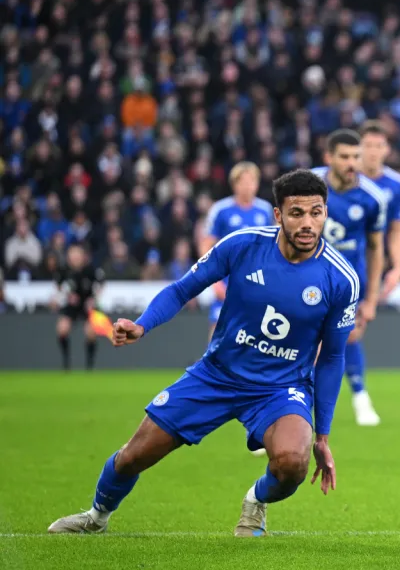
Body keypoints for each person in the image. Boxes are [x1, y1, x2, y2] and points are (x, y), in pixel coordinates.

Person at [47, 170, 359, 536]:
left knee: (292, 463)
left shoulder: (341, 278)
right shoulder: (242, 245)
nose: (308, 223)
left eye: (316, 212)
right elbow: (182, 290)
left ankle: (255, 502)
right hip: (216, 375)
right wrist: (143, 324)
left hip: (280, 388)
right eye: (297, 213)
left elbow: (333, 358)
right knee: (133, 456)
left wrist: (322, 436)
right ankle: (96, 516)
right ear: (278, 215)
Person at [312, 130, 388, 427]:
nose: (351, 162)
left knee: (348, 337)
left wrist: (371, 299)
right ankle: (281, 410)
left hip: (348, 286)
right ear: (328, 157)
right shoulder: (309, 185)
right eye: (344, 156)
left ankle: (360, 397)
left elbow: (375, 248)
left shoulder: (372, 197)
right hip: (308, 280)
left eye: (355, 156)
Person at [200, 162, 274, 341]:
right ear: (235, 184)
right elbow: (206, 244)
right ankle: (211, 366)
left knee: (254, 328)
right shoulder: (221, 209)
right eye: (244, 181)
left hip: (256, 277)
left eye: (252, 181)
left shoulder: (265, 210)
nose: (248, 186)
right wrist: (213, 280)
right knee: (219, 326)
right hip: (226, 276)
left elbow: (273, 246)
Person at [359, 120, 400, 300]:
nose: (373, 151)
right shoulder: (345, 179)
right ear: (358, 148)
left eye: (378, 146)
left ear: (387, 149)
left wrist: (398, 267)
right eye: (367, 145)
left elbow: (397, 230)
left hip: (375, 259)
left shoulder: (396, 184)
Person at [54, 244, 104, 370]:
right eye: (72, 255)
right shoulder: (63, 270)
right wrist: (67, 295)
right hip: (71, 305)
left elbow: (101, 285)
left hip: (87, 304)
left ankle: (89, 365)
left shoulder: (91, 270)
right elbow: (58, 287)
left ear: (83, 256)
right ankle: (66, 363)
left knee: (91, 332)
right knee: (62, 329)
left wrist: (93, 299)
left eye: (77, 254)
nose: (75, 257)